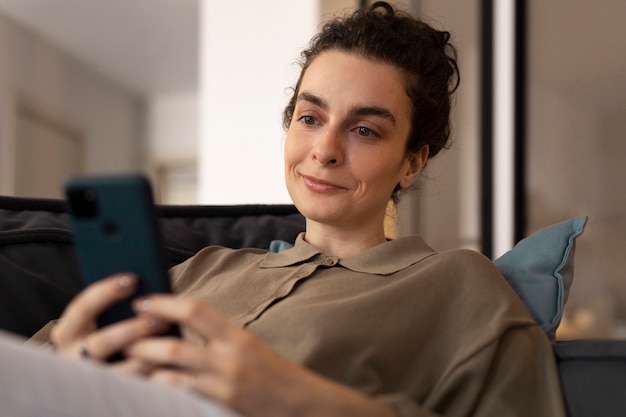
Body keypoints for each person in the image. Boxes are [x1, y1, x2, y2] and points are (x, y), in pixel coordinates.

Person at [1, 2, 566, 417]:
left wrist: (302, 401)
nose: (324, 149)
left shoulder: (462, 287)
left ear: (412, 163)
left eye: (365, 129)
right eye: (310, 117)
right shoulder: (206, 267)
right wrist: (68, 357)